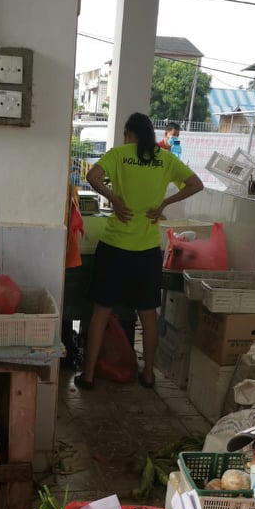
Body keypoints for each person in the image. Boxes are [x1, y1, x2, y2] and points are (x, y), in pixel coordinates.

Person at [75, 112, 202, 391]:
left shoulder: (119, 154)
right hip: (146, 251)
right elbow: (196, 184)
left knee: (100, 311)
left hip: (115, 247)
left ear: (129, 134)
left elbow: (92, 175)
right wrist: (165, 203)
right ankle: (148, 375)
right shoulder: (165, 158)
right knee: (147, 314)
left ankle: (87, 376)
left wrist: (115, 199)